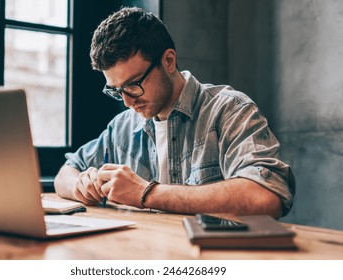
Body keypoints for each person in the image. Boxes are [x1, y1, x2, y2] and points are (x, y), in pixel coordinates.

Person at [54, 7, 295, 218]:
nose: (127, 102)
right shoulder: (122, 127)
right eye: (117, 91)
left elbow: (266, 197)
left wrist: (146, 193)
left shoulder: (230, 110)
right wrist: (80, 183)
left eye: (134, 86)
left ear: (168, 61)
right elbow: (65, 172)